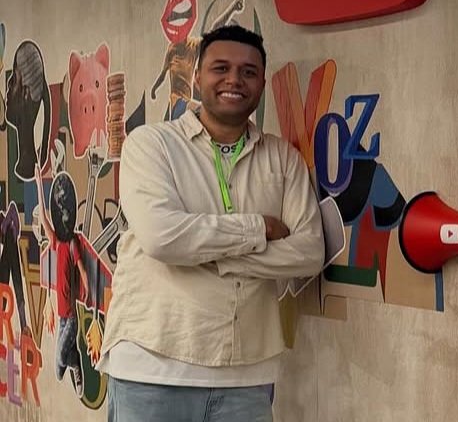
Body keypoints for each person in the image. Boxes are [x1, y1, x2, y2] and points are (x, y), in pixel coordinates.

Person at [98, 25, 325, 421]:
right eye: (221, 68)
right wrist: (258, 230)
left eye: (249, 72)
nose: (234, 80)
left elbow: (308, 253)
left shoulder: (283, 159)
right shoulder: (152, 145)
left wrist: (211, 256)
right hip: (152, 370)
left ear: (261, 84)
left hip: (246, 378)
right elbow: (162, 238)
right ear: (198, 76)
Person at [33, 166, 89, 397]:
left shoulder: (72, 244)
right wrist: (39, 184)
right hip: (61, 317)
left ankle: (74, 360)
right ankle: (73, 359)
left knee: (59, 360)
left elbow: (82, 269)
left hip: (71, 317)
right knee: (58, 371)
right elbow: (43, 218)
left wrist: (86, 290)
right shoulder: (56, 242)